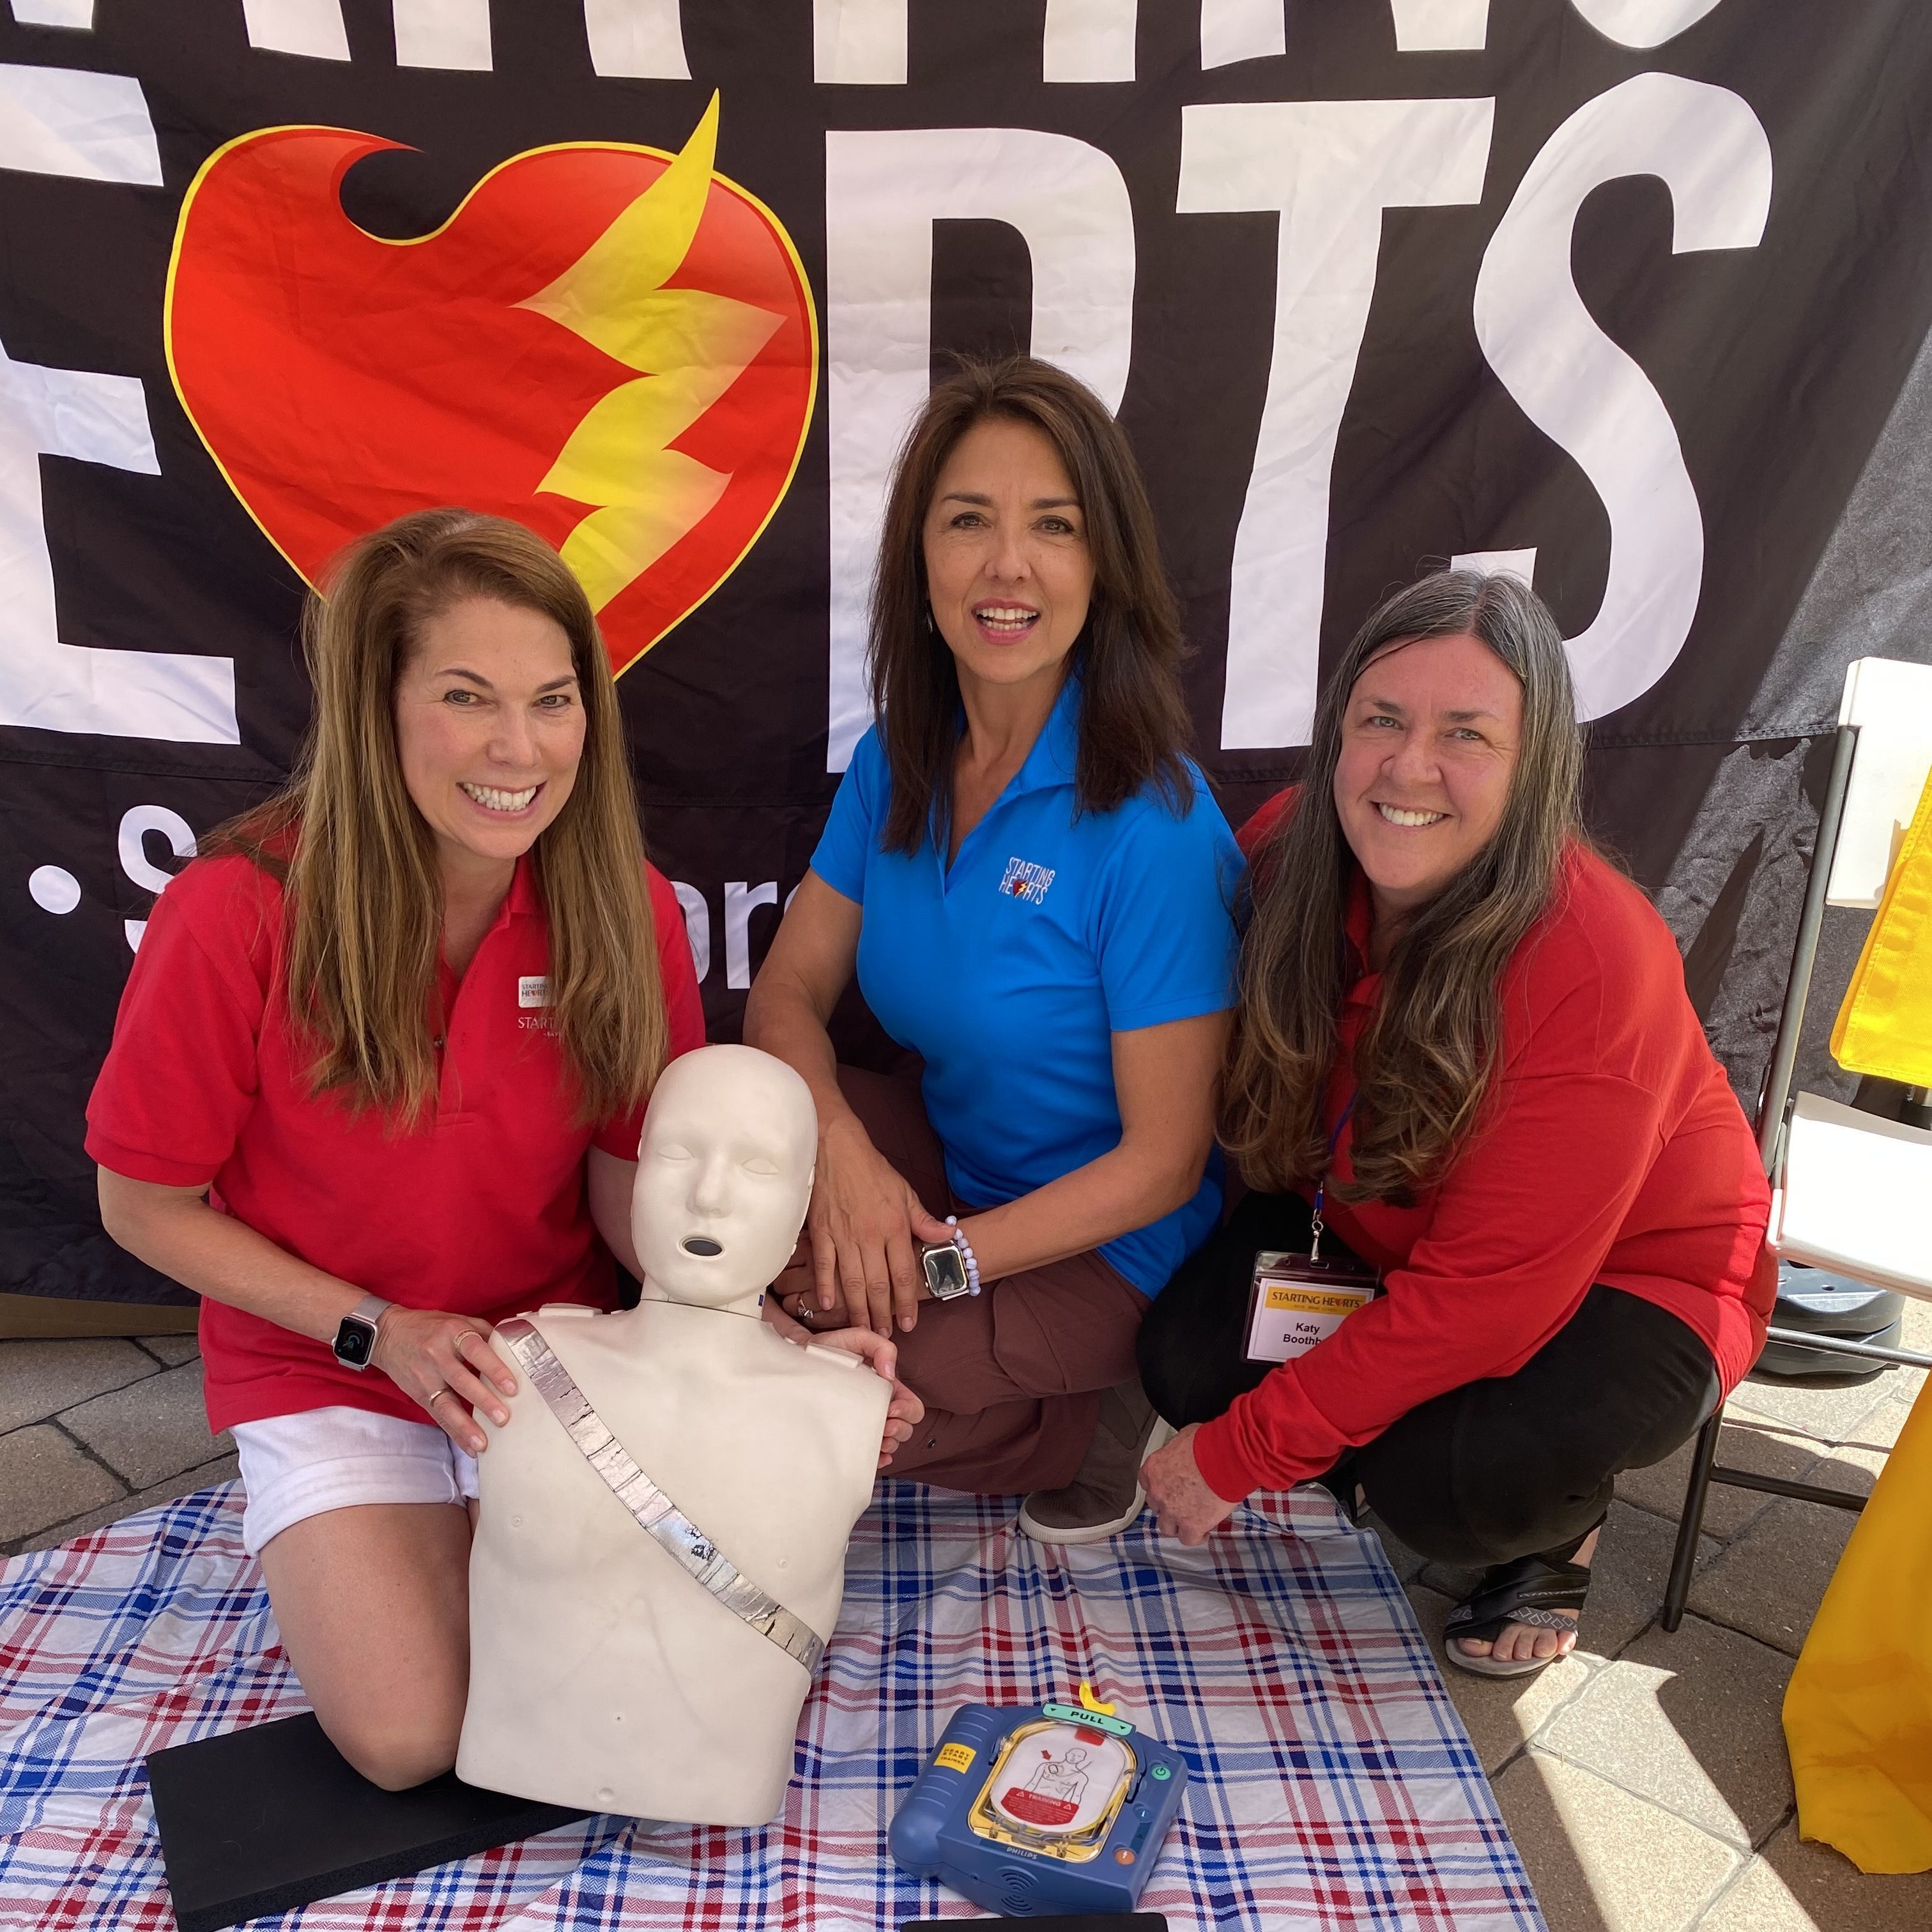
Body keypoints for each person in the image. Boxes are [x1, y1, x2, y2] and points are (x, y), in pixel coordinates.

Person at [86, 510, 918, 1789]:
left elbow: (630, 1177)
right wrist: (379, 1329)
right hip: (337, 1363)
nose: (517, 749)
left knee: (641, 1674)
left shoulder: (620, 905)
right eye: (467, 698)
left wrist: (768, 1342)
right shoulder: (238, 909)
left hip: (561, 1358)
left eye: (551, 701)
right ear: (381, 704)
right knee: (419, 1739)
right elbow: (143, 1205)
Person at [1137, 569, 1775, 1676]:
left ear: (1534, 772)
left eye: (1467, 735)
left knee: (1456, 1485)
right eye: (1382, 719)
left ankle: (1558, 1530)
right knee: (1188, 1356)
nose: (1410, 766)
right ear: (1338, 730)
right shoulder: (1289, 848)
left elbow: (1488, 1301)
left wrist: (1237, 1456)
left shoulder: (1593, 957)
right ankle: (1371, 1437)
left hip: (1636, 1276)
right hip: (1377, 1220)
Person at [745, 356, 1242, 1542]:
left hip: (1112, 1248)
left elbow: (1164, 1166)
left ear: (1101, 568)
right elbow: (787, 993)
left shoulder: (1153, 825)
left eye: (1053, 527)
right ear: (921, 561)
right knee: (712, 1132)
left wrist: (929, 1268)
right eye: (969, 520)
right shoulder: (898, 761)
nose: (1006, 564)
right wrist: (842, 1152)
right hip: (947, 1174)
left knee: (818, 1373)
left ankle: (1090, 1423)